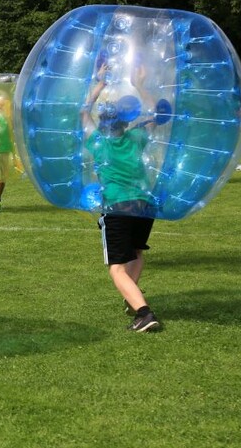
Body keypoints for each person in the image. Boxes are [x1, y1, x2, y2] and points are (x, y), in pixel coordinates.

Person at [81, 64, 162, 333]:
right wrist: (140, 85)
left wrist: (100, 83)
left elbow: (83, 112)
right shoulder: (136, 137)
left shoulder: (98, 144)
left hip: (117, 207)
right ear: (126, 122)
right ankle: (133, 299)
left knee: (116, 269)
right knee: (137, 252)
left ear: (102, 123)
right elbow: (155, 115)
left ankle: (144, 313)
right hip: (144, 206)